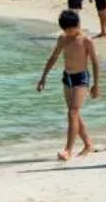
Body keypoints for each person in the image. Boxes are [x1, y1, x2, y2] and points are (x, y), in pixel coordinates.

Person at [36, 10, 102, 160]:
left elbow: (95, 63)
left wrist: (96, 85)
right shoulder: (63, 39)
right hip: (68, 77)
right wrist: (43, 77)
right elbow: (53, 57)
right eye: (66, 30)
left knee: (72, 112)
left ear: (78, 24)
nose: (69, 32)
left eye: (72, 29)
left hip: (81, 78)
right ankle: (88, 144)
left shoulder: (86, 40)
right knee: (74, 113)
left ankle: (68, 150)